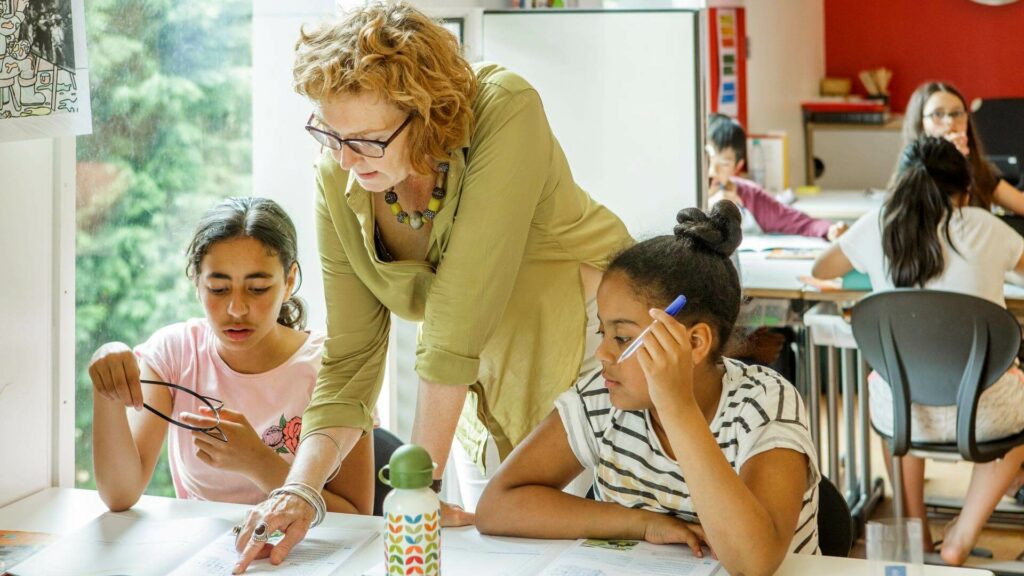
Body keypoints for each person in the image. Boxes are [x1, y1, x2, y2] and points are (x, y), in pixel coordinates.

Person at [231, 4, 631, 572]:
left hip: (597, 351)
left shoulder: (505, 109)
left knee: (590, 557)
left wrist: (422, 481)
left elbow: (458, 314)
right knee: (493, 551)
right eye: (330, 133)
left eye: (367, 139)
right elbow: (351, 360)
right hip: (477, 374)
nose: (345, 159)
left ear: (428, 114)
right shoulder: (340, 174)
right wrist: (299, 490)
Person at [476, 202, 821, 576]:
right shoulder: (602, 397)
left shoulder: (765, 403)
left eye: (623, 338)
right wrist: (640, 522)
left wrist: (676, 407)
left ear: (694, 343)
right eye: (602, 332)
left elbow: (753, 562)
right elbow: (496, 505)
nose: (603, 353)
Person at [812, 136, 1024, 566]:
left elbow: (821, 269)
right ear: (966, 190)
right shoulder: (986, 227)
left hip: (901, 413)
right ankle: (962, 534)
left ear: (900, 184)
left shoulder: (878, 222)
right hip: (986, 413)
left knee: (899, 380)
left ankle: (918, 535)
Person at [89, 197, 374, 515]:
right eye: (219, 289)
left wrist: (258, 463)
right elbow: (119, 495)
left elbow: (357, 517)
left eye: (258, 288)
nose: (236, 309)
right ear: (196, 282)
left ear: (289, 280)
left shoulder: (332, 367)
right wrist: (107, 384)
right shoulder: (175, 354)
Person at [707, 113, 847, 240]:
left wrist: (830, 229)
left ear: (737, 166)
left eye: (724, 163)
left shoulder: (750, 196)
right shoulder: (687, 194)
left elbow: (800, 223)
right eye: (707, 160)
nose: (713, 171)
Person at [903, 81, 1024, 216]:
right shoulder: (911, 170)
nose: (950, 122)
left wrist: (962, 164)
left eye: (957, 113)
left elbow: (1020, 203)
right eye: (938, 114)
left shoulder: (978, 169)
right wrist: (948, 164)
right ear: (920, 122)